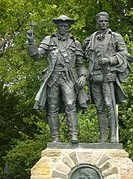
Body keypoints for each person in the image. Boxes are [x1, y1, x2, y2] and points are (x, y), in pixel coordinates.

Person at [27, 15, 88, 144]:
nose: (63, 28)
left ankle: (74, 135)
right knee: (52, 107)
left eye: (65, 26)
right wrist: (31, 42)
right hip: (53, 77)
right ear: (57, 26)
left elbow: (81, 64)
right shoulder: (49, 40)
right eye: (60, 25)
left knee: (71, 104)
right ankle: (55, 137)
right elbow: (36, 56)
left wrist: (83, 76)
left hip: (69, 78)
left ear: (69, 27)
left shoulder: (75, 43)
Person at [84, 12, 131, 143]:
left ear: (108, 22)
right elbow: (84, 54)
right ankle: (103, 137)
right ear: (97, 23)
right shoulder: (92, 37)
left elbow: (124, 55)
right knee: (99, 107)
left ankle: (113, 137)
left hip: (108, 75)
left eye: (105, 21)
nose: (103, 23)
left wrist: (109, 60)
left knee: (110, 105)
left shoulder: (115, 37)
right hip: (94, 76)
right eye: (100, 21)